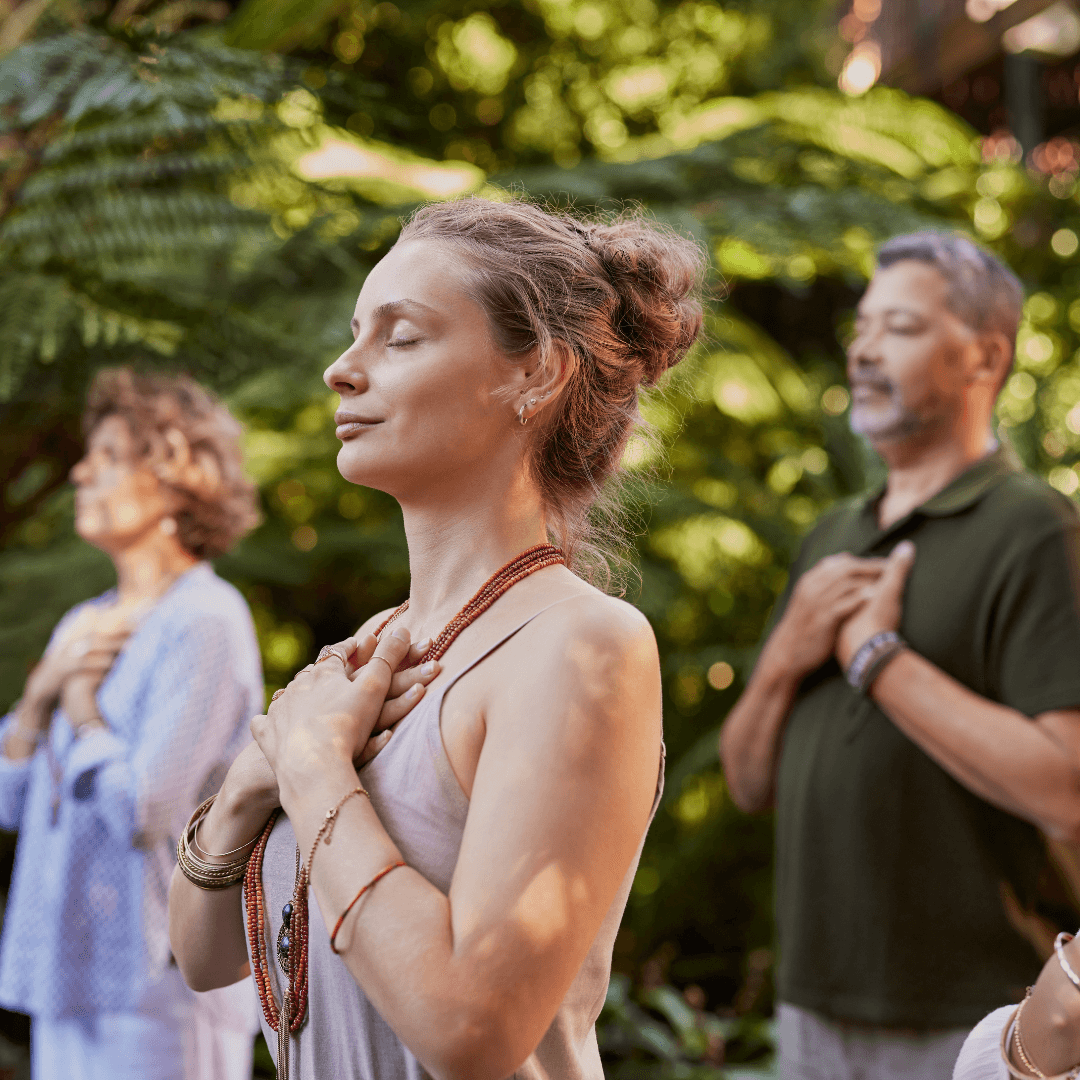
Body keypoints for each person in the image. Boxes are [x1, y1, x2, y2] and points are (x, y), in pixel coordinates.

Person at [168, 196, 704, 1080]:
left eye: (401, 337)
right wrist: (246, 791)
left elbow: (472, 1032)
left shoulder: (580, 645)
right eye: (352, 334)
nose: (342, 369)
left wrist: (311, 771)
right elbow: (203, 958)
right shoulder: (369, 654)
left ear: (537, 374)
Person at [719, 231, 1080, 1080]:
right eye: (863, 326)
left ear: (984, 357)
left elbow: (1068, 787)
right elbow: (746, 780)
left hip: (977, 1020)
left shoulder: (1034, 528)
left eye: (902, 327)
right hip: (810, 1006)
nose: (864, 347)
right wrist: (787, 654)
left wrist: (877, 658)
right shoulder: (831, 537)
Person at [0, 368, 265, 1080]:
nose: (82, 470)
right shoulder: (81, 626)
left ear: (179, 476)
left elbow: (147, 808)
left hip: (157, 984)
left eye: (110, 456)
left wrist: (82, 713)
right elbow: (9, 801)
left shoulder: (206, 621)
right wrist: (38, 700)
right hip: (65, 973)